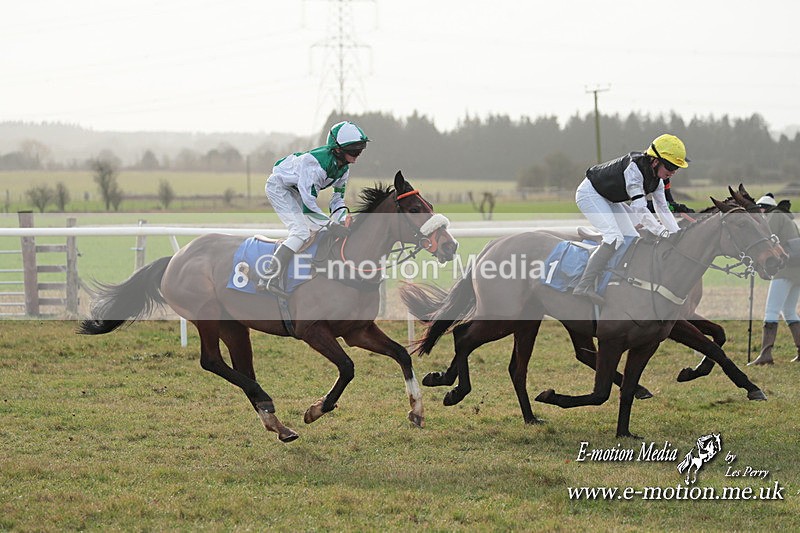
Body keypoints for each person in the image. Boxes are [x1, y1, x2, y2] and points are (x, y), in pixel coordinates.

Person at [573, 134, 689, 304]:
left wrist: (677, 234)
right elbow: (639, 208)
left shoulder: (658, 179)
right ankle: (583, 286)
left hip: (608, 198)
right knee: (614, 237)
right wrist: (662, 232)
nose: (672, 173)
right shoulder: (634, 170)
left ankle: (614, 280)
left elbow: (662, 209)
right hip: (590, 194)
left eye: (676, 169)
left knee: (632, 238)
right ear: (655, 161)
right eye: (670, 167)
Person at [260, 120, 369, 297]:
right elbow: (309, 207)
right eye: (354, 151)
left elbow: (337, 201)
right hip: (280, 189)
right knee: (301, 232)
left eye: (360, 150)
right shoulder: (315, 166)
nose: (357, 156)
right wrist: (331, 225)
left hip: (296, 190)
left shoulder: (343, 169)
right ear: (338, 149)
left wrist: (342, 220)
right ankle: (268, 277)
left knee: (314, 231)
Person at [749, 193, 800, 365]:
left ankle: (765, 355)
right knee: (789, 311)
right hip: (797, 273)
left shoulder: (773, 216)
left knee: (771, 311)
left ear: (763, 207)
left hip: (785, 271)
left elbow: (763, 239)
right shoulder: (788, 219)